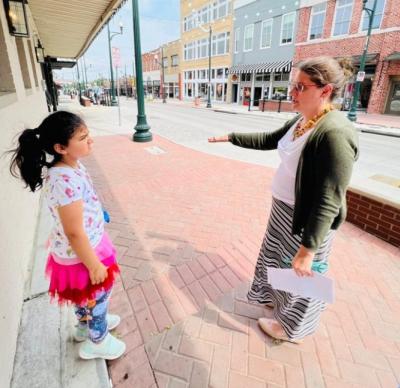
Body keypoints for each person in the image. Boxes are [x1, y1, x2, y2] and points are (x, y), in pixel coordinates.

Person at [209, 56, 358, 343]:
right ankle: (277, 303)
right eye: (294, 85)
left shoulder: (335, 132)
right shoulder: (302, 119)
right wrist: (231, 137)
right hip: (283, 211)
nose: (292, 93)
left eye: (301, 87)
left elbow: (330, 198)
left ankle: (292, 329)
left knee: (303, 274)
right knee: (277, 260)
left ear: (325, 91)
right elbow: (271, 139)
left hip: (308, 220)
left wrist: (309, 248)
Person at [9, 111, 126, 360]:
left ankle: (85, 327)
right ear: (61, 147)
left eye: (88, 135)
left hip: (82, 246)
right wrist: (93, 264)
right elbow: (74, 231)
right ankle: (98, 340)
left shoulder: (71, 166)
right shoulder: (63, 179)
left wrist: (98, 211)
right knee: (98, 295)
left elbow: (81, 205)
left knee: (84, 297)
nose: (90, 141)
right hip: (83, 253)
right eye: (83, 138)